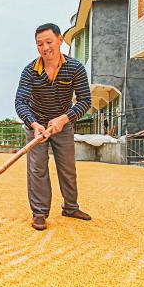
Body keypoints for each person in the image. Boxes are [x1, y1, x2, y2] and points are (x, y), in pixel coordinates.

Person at [14, 23, 92, 231]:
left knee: (67, 168)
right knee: (37, 169)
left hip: (63, 124)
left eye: (49, 42)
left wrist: (64, 119)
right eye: (40, 44)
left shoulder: (75, 68)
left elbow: (85, 100)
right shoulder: (30, 70)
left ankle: (70, 207)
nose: (45, 47)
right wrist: (34, 124)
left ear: (60, 40)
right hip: (36, 125)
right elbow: (20, 102)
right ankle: (39, 212)